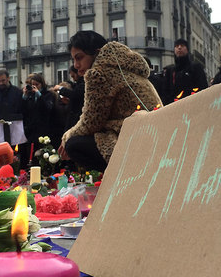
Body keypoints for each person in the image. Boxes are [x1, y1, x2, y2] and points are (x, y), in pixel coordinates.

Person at [58, 31, 161, 172]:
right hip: (153, 132)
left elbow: (91, 122)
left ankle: (120, 176)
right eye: (74, 60)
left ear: (96, 53)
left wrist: (66, 138)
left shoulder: (98, 73)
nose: (76, 65)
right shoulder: (123, 66)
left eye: (79, 58)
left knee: (73, 145)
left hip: (134, 139)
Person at [161, 39, 208, 105]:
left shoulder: (196, 67)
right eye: (177, 46)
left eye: (182, 46)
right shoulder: (170, 71)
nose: (179, 48)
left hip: (192, 105)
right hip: (174, 107)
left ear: (187, 49)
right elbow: (165, 92)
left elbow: (203, 87)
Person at [22, 73, 58, 155]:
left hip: (45, 131)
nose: (34, 87)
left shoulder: (48, 95)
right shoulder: (30, 96)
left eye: (36, 84)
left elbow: (48, 108)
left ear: (42, 84)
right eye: (32, 85)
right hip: (32, 132)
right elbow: (24, 111)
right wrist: (24, 97)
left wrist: (39, 95)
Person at [53, 66, 85, 132]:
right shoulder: (78, 84)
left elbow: (75, 94)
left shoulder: (83, 83)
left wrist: (60, 88)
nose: (74, 79)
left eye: (73, 76)